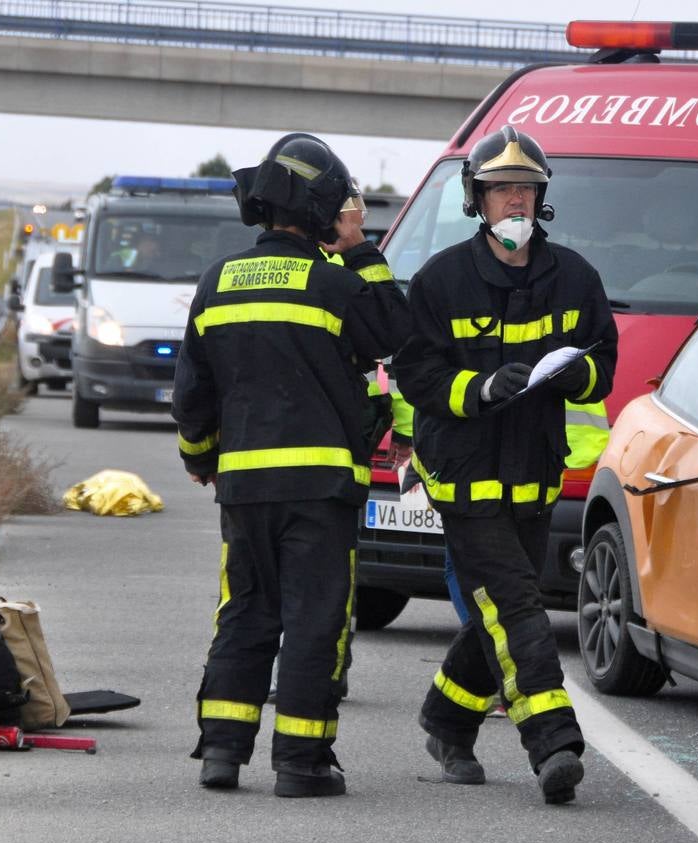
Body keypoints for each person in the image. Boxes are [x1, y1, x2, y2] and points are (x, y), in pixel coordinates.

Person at [171, 133, 407, 799]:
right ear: (325, 212)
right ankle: (301, 764)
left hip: (243, 486)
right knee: (313, 617)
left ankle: (222, 751)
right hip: (321, 488)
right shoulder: (334, 284)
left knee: (245, 609)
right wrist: (362, 248)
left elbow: (192, 391)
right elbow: (396, 334)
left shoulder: (217, 282)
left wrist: (199, 456)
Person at [393, 125, 618, 805]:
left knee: (493, 612)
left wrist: (570, 377)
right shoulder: (441, 281)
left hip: (534, 474)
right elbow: (417, 375)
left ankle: (445, 720)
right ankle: (553, 742)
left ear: (540, 198)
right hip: (462, 477)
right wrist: (480, 390)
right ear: (477, 201)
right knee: (518, 606)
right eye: (500, 191)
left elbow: (602, 366)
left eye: (524, 189)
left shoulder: (574, 277)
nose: (514, 201)